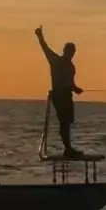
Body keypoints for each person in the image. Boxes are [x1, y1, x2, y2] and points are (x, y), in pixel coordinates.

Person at [35, 25, 84, 158]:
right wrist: (40, 36)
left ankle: (68, 148)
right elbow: (45, 48)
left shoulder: (71, 67)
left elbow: (70, 83)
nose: (71, 54)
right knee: (64, 123)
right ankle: (68, 149)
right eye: (69, 52)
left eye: (73, 52)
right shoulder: (56, 60)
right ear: (65, 51)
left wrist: (76, 89)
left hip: (67, 96)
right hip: (59, 96)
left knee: (67, 123)